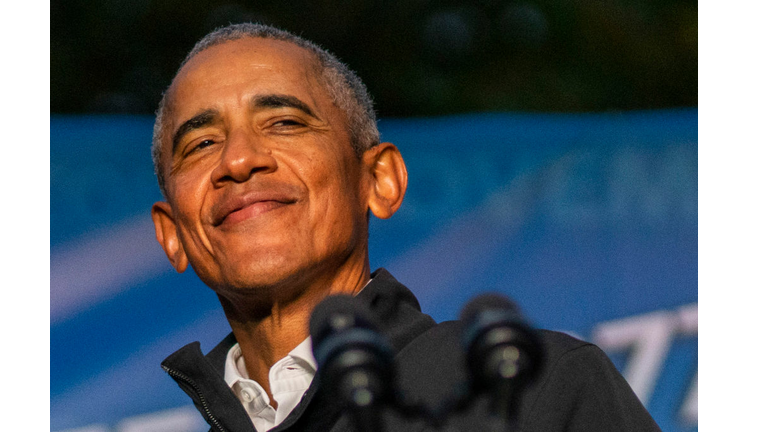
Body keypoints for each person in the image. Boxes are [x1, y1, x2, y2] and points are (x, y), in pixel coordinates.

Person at [150, 23, 661, 432]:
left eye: (284, 122)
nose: (238, 160)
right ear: (172, 233)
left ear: (379, 181)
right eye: (200, 145)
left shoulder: (541, 392)